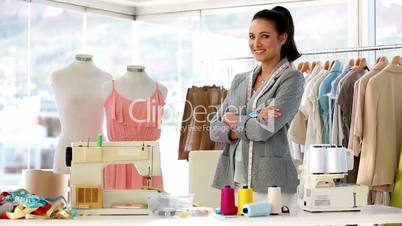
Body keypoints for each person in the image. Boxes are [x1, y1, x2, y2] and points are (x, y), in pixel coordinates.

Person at [210, 6, 304, 209]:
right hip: (234, 181)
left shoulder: (292, 79)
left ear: (282, 38)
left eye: (264, 36)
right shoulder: (239, 80)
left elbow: (264, 129)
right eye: (251, 36)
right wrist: (253, 116)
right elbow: (214, 129)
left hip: (271, 184)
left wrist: (236, 120)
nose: (256, 44)